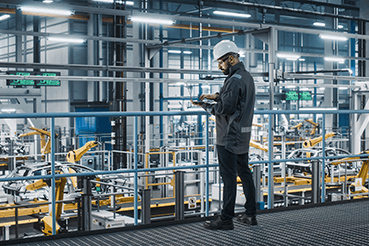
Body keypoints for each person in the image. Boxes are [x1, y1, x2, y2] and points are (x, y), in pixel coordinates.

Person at [192, 40, 257, 230]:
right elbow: (237, 100)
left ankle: (226, 219)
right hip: (242, 135)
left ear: (231, 58)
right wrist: (218, 95)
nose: (220, 66)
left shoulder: (233, 80)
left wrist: (205, 105)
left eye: (221, 62)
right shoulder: (246, 77)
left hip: (228, 137)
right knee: (245, 174)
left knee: (228, 178)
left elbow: (224, 109)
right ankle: (251, 215)